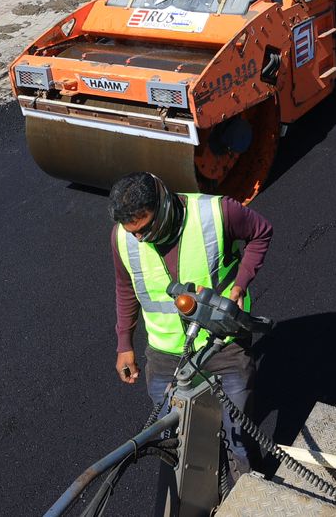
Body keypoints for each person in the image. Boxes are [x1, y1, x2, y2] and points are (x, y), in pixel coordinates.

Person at [110, 173, 274, 475]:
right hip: (165, 355)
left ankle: (246, 488)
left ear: (164, 205)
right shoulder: (123, 238)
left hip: (223, 345)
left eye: (146, 229)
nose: (140, 239)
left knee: (238, 439)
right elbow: (125, 287)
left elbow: (261, 232)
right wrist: (124, 344)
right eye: (133, 233)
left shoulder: (217, 213)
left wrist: (240, 285)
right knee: (177, 440)